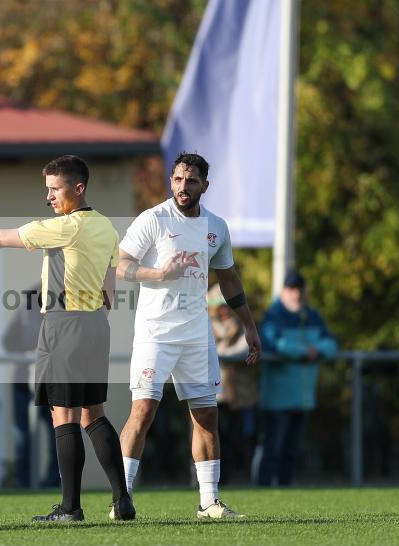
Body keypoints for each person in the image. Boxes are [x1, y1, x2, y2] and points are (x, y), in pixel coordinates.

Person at [0, 154, 134, 522]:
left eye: (54, 189)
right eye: (46, 189)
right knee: (93, 414)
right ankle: (121, 500)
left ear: (77, 189)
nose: (48, 197)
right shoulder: (107, 227)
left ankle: (70, 508)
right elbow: (109, 290)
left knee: (63, 416)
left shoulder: (66, 226)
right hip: (97, 323)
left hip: (63, 324)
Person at [117, 151, 261, 519]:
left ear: (204, 186)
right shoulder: (153, 219)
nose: (184, 187)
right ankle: (123, 497)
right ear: (171, 180)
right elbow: (122, 266)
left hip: (197, 336)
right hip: (155, 333)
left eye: (192, 181)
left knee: (207, 417)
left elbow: (228, 279)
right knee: (143, 411)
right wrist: (159, 274)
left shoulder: (216, 226)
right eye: (178, 179)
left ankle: (209, 502)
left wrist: (249, 324)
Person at [255, 269, 337, 487]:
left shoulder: (312, 316)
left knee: (291, 451)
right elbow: (274, 344)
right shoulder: (274, 315)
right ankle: (262, 491)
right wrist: (305, 352)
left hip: (302, 396)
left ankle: (284, 490)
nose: (296, 294)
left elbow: (331, 344)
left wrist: (315, 351)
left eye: (299, 289)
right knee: (273, 448)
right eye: (292, 289)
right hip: (277, 397)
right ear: (283, 291)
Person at [2, 282, 60, 488]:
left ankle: (52, 482)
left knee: (57, 435)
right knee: (22, 436)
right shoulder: (26, 306)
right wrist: (29, 351)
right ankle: (23, 482)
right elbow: (8, 341)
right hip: (23, 380)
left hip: (53, 382)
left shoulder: (66, 307)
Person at [208, 285, 258, 483]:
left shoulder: (245, 324)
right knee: (214, 437)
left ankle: (242, 478)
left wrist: (218, 351)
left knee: (239, 440)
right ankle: (212, 480)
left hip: (241, 396)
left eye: (227, 305)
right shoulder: (204, 324)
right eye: (220, 306)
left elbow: (243, 350)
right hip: (214, 393)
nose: (225, 310)